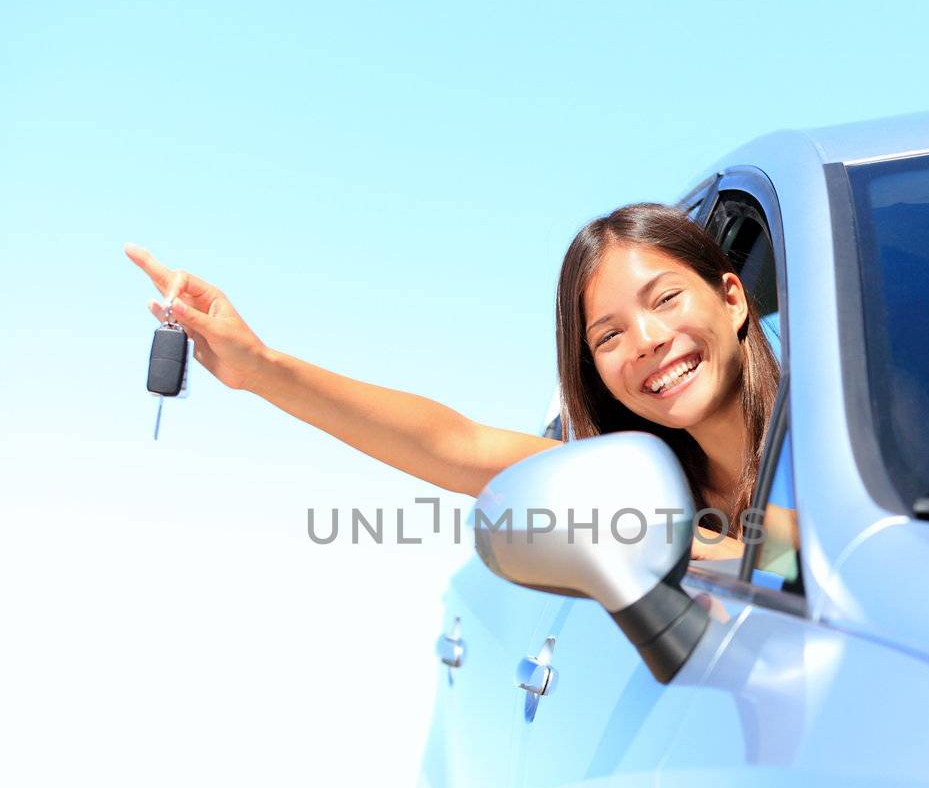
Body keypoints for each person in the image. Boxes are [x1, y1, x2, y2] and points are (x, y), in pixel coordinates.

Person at [126, 201, 790, 563]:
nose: (647, 342)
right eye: (608, 336)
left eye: (666, 299)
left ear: (731, 298)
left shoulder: (863, 437)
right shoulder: (630, 485)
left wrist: (713, 546)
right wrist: (260, 368)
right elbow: (456, 445)